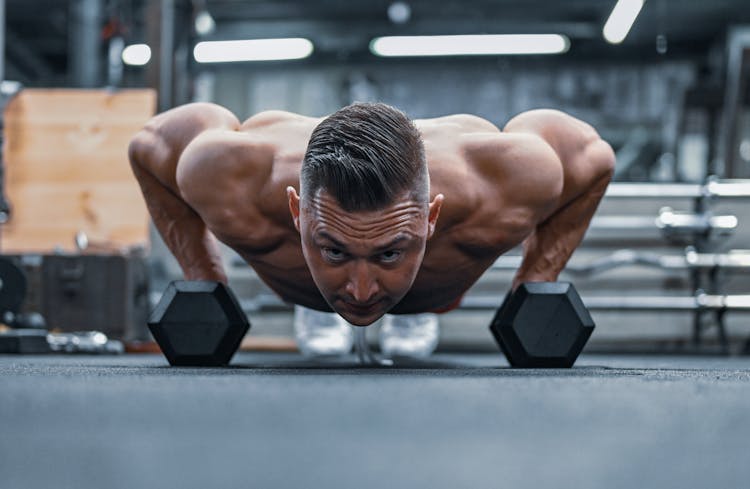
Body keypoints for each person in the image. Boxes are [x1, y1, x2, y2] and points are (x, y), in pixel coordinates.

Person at [129, 101, 615, 358]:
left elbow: (594, 160)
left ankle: (409, 308)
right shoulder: (232, 173)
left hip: (435, 286)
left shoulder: (504, 180)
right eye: (334, 251)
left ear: (431, 219)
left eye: (388, 253)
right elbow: (148, 146)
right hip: (301, 272)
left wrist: (535, 284)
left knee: (376, 286)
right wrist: (204, 276)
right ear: (298, 213)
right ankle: (321, 306)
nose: (360, 291)